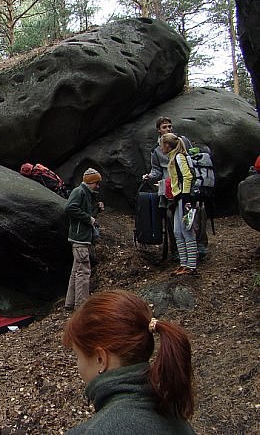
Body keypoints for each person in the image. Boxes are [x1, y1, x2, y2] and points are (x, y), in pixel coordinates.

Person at [62, 290, 195, 434]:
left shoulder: (98, 430)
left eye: (78, 356)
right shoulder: (175, 415)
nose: (78, 366)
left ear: (101, 359)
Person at [142, 116, 208, 259]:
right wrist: (149, 176)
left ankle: (200, 245)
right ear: (158, 130)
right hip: (169, 187)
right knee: (170, 217)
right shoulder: (156, 149)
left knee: (197, 211)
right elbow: (156, 169)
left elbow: (191, 159)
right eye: (164, 127)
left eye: (170, 126)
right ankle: (177, 250)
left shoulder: (182, 141)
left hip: (185, 184)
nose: (168, 129)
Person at [64, 168, 103, 310]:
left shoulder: (87, 194)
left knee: (76, 272)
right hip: (80, 239)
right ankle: (81, 306)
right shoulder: (79, 192)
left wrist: (97, 208)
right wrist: (89, 218)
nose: (97, 186)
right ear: (90, 181)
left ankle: (69, 303)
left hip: (82, 238)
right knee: (84, 272)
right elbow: (69, 208)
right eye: (96, 183)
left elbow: (86, 212)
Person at [162, 133, 198, 275]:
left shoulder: (179, 157)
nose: (160, 147)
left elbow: (187, 176)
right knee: (177, 231)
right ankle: (183, 264)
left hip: (184, 198)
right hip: (177, 199)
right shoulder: (172, 157)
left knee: (186, 231)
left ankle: (192, 266)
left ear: (167, 145)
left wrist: (186, 197)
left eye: (161, 144)